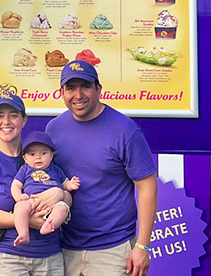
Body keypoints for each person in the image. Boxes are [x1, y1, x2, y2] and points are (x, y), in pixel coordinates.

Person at [46, 60, 157, 276]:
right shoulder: (53, 129)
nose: (78, 95)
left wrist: (142, 246)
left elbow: (147, 187)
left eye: (85, 86)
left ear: (98, 89)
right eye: (71, 88)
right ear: (61, 92)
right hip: (63, 247)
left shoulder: (126, 131)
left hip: (113, 250)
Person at [0, 93, 68, 275]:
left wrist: (59, 194)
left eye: (13, 115)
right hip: (7, 256)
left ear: (24, 120)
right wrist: (26, 220)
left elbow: (68, 198)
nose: (6, 122)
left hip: (49, 254)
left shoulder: (39, 153)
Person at [12, 131, 79, 246]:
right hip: (32, 200)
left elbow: (65, 184)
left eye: (43, 153)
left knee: (63, 208)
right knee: (19, 207)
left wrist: (71, 185)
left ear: (51, 156)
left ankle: (49, 224)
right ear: (25, 158)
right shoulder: (25, 170)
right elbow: (16, 185)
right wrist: (19, 196)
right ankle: (23, 234)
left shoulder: (56, 170)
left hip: (53, 203)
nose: (38, 157)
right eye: (32, 154)